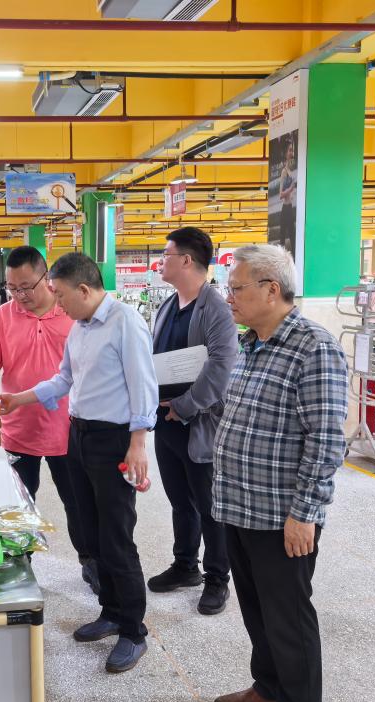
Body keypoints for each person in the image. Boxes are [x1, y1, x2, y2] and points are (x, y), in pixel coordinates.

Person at [210, 244, 347, 702]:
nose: (229, 297)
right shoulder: (252, 344)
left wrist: (305, 512)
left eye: (237, 288)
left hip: (281, 515)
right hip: (239, 506)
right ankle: (267, 687)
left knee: (288, 616)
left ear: (272, 289)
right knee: (255, 607)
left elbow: (326, 439)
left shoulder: (314, 348)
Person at [0, 253, 158, 674]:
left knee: (117, 535)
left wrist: (138, 443)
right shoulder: (80, 328)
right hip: (79, 435)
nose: (58, 303)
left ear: (84, 289)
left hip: (114, 440)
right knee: (91, 531)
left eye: (61, 295)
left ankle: (134, 630)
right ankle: (111, 611)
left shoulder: (125, 323)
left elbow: (144, 386)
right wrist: (19, 399)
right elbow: (63, 380)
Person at [0, 246, 95, 591]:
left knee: (78, 503)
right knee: (19, 506)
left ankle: (90, 561)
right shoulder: (2, 317)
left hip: (67, 429)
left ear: (46, 277)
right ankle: (19, 566)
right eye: (12, 288)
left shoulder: (71, 311)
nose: (20, 295)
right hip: (18, 428)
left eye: (26, 286)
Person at [148, 227, 237, 615]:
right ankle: (186, 565)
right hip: (165, 421)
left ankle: (217, 578)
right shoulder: (168, 305)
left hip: (199, 422)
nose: (161, 262)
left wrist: (184, 406)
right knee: (179, 500)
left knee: (209, 504)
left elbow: (221, 367)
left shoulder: (215, 308)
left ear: (186, 260)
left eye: (166, 255)